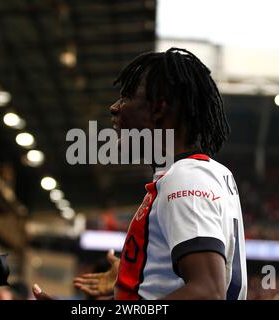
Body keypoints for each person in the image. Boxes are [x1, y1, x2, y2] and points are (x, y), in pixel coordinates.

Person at [34, 47, 247, 300]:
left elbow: (207, 292)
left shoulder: (185, 179)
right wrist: (138, 276)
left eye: (125, 97)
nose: (114, 108)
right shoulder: (209, 173)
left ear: (158, 108)